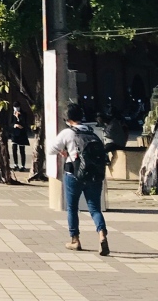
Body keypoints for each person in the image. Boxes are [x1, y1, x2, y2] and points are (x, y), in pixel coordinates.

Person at [49, 104, 110, 255]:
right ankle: (102, 234)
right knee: (94, 208)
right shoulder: (92, 132)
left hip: (73, 175)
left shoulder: (67, 133)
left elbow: (51, 149)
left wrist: (64, 151)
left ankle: (75, 240)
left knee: (72, 208)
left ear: (67, 118)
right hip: (94, 176)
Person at [11, 107, 30, 171]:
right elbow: (10, 123)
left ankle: (23, 166)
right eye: (15, 108)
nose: (16, 109)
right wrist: (14, 125)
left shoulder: (23, 114)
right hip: (14, 135)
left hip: (22, 134)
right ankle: (15, 164)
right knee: (14, 149)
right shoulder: (12, 114)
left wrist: (18, 117)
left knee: (22, 150)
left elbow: (25, 123)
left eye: (17, 107)